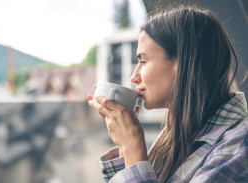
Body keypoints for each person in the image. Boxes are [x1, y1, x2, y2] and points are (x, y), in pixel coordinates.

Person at [87, 6, 248, 183]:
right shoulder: (178, 131)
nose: (134, 77)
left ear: (183, 64)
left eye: (143, 61)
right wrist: (126, 145)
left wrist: (132, 146)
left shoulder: (238, 147)